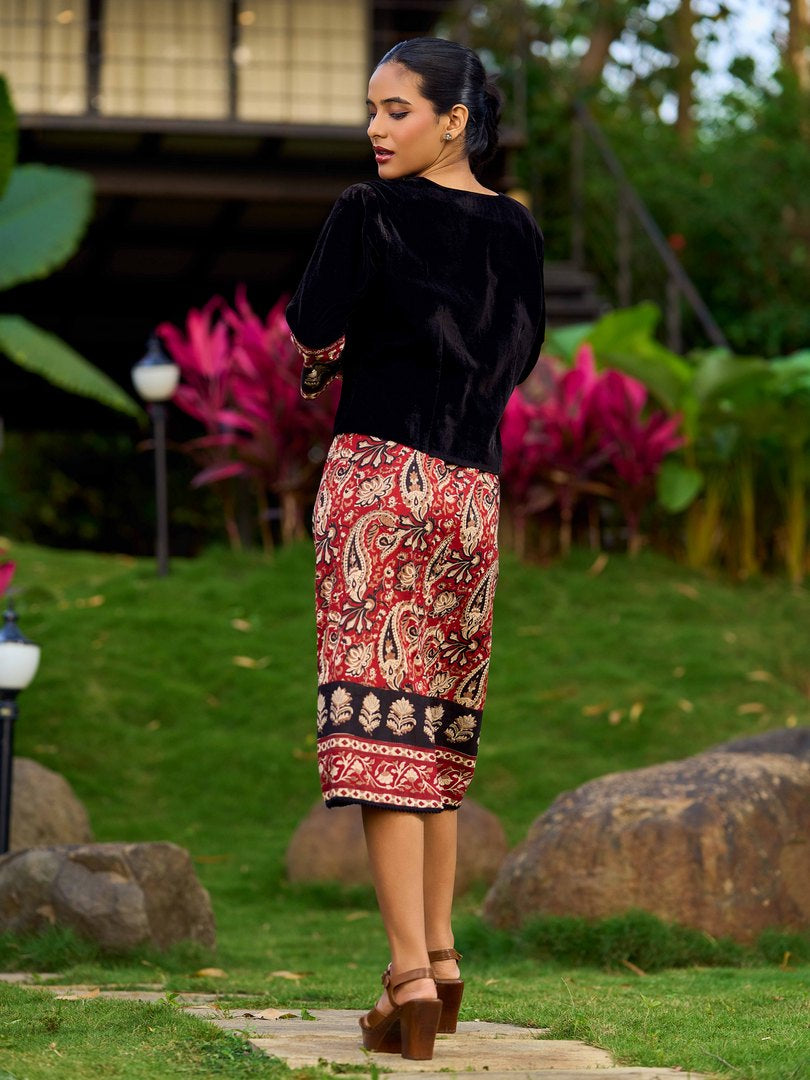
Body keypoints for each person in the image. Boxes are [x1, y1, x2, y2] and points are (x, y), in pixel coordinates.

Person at [286, 36, 545, 1062]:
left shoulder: (369, 211)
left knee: (377, 733)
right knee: (434, 733)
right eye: (371, 110)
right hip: (470, 494)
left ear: (453, 119)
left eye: (397, 110)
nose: (375, 129)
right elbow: (515, 357)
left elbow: (312, 325)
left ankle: (406, 977)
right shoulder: (517, 230)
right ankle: (440, 955)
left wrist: (333, 356)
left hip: (378, 485)